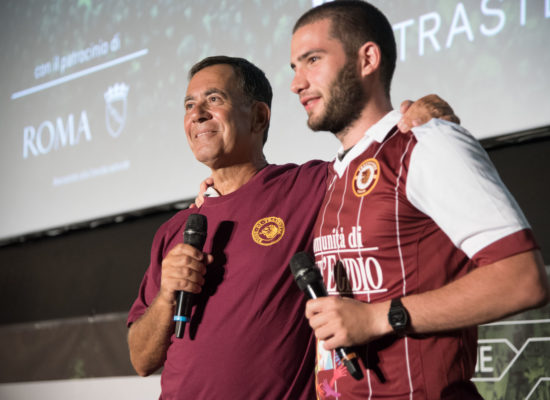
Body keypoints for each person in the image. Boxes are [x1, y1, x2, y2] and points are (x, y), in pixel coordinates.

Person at [126, 55, 455, 399]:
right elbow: (141, 360)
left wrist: (427, 112)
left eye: (213, 99)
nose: (197, 113)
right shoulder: (175, 230)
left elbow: (382, 154)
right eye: (189, 105)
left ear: (258, 116)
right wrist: (166, 296)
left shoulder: (309, 185)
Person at [289, 2, 549, 399]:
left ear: (368, 59)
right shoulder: (328, 177)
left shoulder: (426, 142)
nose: (297, 83)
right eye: (294, 67)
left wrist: (378, 318)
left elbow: (523, 279)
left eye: (312, 60)